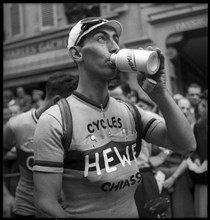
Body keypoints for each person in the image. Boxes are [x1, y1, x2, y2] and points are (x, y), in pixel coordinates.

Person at [33, 16, 196, 218]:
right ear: (77, 54)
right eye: (102, 39)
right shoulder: (55, 120)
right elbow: (46, 204)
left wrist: (159, 94)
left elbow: (186, 145)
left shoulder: (130, 111)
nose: (115, 47)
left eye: (115, 38)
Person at [3, 72, 78, 218]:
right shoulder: (16, 125)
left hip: (69, 209)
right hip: (28, 208)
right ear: (58, 102)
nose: (76, 110)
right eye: (73, 105)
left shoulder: (75, 124)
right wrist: (5, 195)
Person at [188, 94, 208, 217]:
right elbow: (193, 148)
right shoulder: (197, 126)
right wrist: (195, 159)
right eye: (200, 105)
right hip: (203, 176)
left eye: (204, 106)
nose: (200, 108)